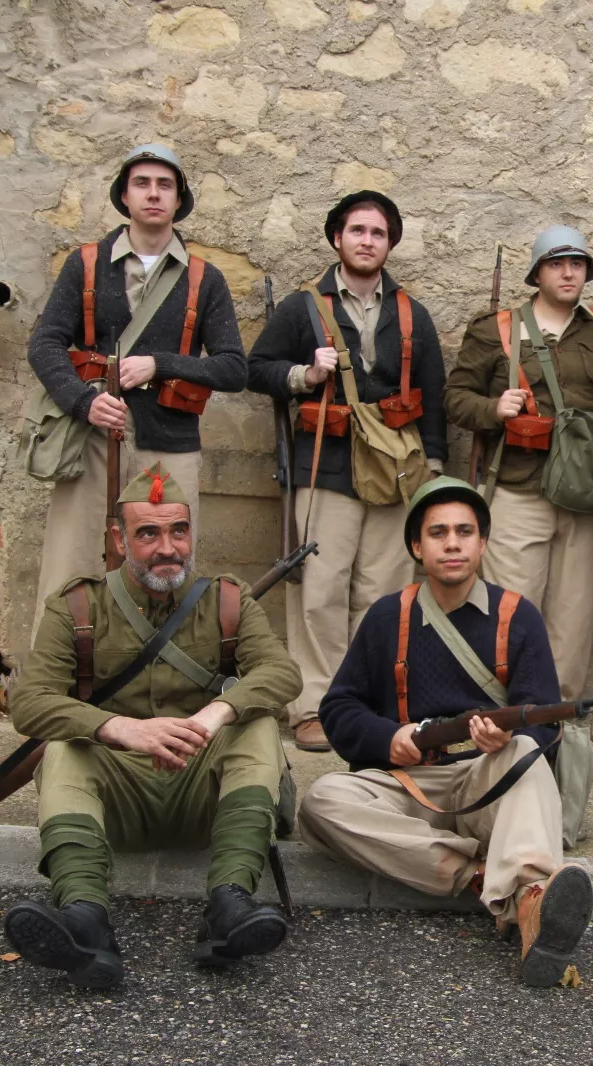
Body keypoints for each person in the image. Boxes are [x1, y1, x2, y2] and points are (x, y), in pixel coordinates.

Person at [3, 463, 301, 989]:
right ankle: (83, 919)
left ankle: (229, 906)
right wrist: (119, 728)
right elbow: (30, 703)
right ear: (119, 538)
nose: (168, 548)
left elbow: (282, 673)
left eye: (178, 531)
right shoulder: (78, 605)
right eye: (149, 533)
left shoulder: (228, 601)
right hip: (119, 798)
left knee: (256, 729)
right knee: (65, 748)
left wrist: (216, 714)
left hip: (202, 798)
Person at [297, 477, 592, 988]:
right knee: (322, 801)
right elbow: (339, 708)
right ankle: (484, 879)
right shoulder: (388, 616)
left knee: (523, 746)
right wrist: (389, 736)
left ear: (482, 542)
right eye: (437, 533)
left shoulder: (517, 616)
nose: (451, 543)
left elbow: (543, 722)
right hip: (409, 784)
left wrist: (499, 742)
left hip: (484, 783)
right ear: (417, 546)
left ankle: (530, 900)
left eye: (463, 531)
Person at [444, 224, 593, 849]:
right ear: (537, 274)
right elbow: (455, 398)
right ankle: (497, 721)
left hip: (583, 496)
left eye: (578, 264)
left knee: (572, 619)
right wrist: (492, 409)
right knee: (508, 612)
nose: (569, 274)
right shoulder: (495, 329)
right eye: (557, 264)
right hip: (519, 489)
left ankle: (562, 726)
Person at [246, 191, 448, 752]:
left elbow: (433, 396)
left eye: (378, 233)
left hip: (395, 470)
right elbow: (255, 369)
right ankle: (313, 705)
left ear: (390, 243)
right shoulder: (302, 307)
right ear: (337, 237)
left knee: (383, 591)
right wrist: (305, 376)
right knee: (319, 588)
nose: (366, 241)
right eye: (357, 230)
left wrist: (432, 472)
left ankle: (368, 706)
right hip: (324, 465)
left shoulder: (411, 313)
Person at [26, 143, 247, 629]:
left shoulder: (205, 279)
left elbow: (234, 368)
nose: (153, 194)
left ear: (178, 199)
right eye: (142, 184)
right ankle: (58, 688)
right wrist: (84, 402)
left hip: (169, 445)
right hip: (92, 439)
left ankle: (164, 680)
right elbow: (44, 345)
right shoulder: (85, 264)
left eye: (164, 185)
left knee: (168, 568)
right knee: (75, 564)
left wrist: (159, 364)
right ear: (124, 196)